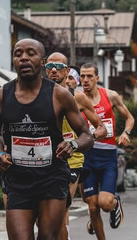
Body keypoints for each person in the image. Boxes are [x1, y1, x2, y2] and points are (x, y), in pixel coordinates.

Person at [0, 39, 94, 240]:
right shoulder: (0, 96)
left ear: (42, 61)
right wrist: (0, 152)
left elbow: (87, 135)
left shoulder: (59, 95)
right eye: (18, 54)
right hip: (18, 180)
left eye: (31, 53)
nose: (24, 58)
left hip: (51, 178)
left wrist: (73, 144)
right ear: (13, 60)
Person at [45, 52, 106, 240]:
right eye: (49, 67)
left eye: (58, 67)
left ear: (67, 70)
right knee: (45, 217)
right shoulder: (39, 95)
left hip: (72, 159)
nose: (53, 71)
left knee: (61, 208)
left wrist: (85, 139)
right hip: (46, 159)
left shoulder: (77, 97)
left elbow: (101, 127)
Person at [80, 63, 134, 240]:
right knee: (92, 206)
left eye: (89, 76)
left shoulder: (110, 96)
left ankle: (114, 202)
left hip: (108, 156)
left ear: (97, 78)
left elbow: (129, 118)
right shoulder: (76, 99)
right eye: (82, 76)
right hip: (87, 156)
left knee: (104, 203)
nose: (85, 80)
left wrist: (126, 133)